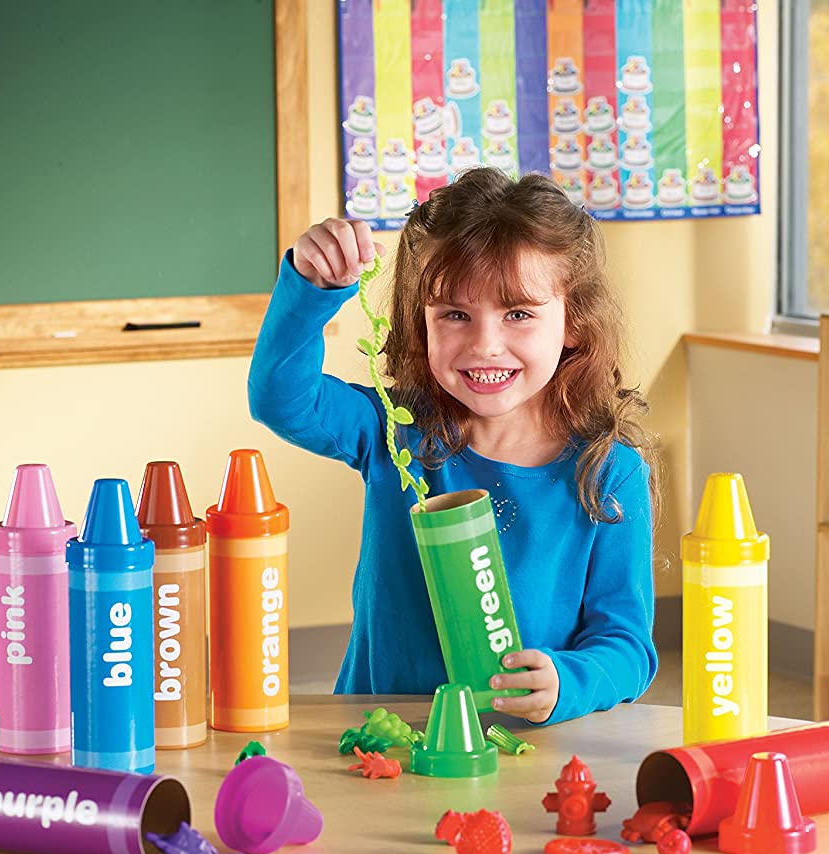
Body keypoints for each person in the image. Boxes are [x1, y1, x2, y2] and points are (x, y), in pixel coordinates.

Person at [249, 167, 658, 724]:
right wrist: (309, 288)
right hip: (382, 738)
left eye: (518, 314)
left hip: (520, 748)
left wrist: (569, 682)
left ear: (573, 324)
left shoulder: (609, 473)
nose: (485, 345)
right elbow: (280, 397)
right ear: (422, 323)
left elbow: (627, 647)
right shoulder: (392, 428)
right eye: (455, 315)